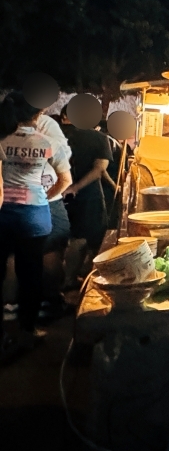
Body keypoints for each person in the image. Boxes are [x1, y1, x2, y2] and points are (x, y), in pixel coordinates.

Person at [1, 93, 73, 348]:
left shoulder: (2, 140)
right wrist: (45, 195)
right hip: (34, 215)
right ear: (39, 114)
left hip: (4, 213)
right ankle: (27, 328)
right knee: (30, 273)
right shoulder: (46, 142)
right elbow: (66, 181)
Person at [60, 105, 113, 276]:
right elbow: (99, 170)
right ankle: (71, 280)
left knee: (56, 242)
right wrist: (75, 187)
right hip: (87, 196)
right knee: (84, 239)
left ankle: (54, 285)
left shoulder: (53, 135)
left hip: (53, 194)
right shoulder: (98, 138)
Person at [36, 114, 73, 320]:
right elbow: (65, 178)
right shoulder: (46, 128)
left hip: (12, 205)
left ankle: (12, 306)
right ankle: (51, 301)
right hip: (47, 202)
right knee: (51, 250)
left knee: (15, 254)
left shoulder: (6, 131)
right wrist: (46, 197)